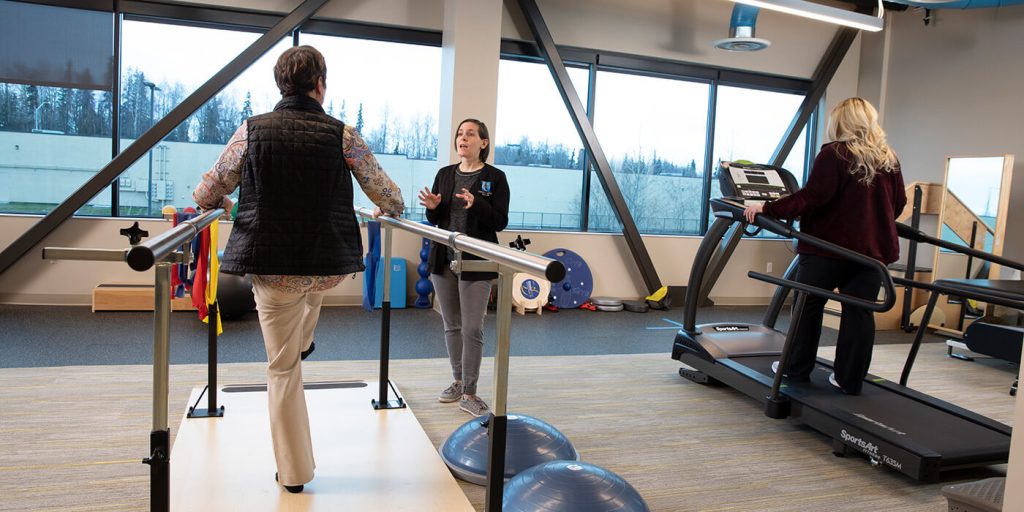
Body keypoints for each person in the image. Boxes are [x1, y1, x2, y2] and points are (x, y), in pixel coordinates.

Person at [192, 45, 404, 493]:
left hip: (273, 268)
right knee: (309, 294)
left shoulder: (252, 131)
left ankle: (294, 474)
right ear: (320, 84)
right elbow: (388, 194)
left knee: (283, 368)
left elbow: (205, 191)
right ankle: (304, 338)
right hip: (325, 265)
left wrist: (229, 205)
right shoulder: (343, 135)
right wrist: (388, 209)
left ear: (280, 85)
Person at [743, 97, 905, 395]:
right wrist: (869, 223)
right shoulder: (888, 158)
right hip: (871, 255)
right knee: (859, 312)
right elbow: (898, 205)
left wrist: (768, 207)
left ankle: (796, 369)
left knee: (808, 305)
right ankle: (849, 379)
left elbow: (813, 196)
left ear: (840, 122)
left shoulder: (835, 154)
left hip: (827, 251)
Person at [418, 119, 510, 416]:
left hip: (476, 262)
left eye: (470, 134)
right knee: (452, 325)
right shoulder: (445, 175)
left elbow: (499, 221)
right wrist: (432, 208)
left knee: (472, 328)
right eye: (460, 133)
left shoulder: (495, 178)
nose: (463, 138)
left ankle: (470, 392)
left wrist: (477, 205)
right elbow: (436, 221)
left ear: (483, 142)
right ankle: (457, 381)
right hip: (443, 260)